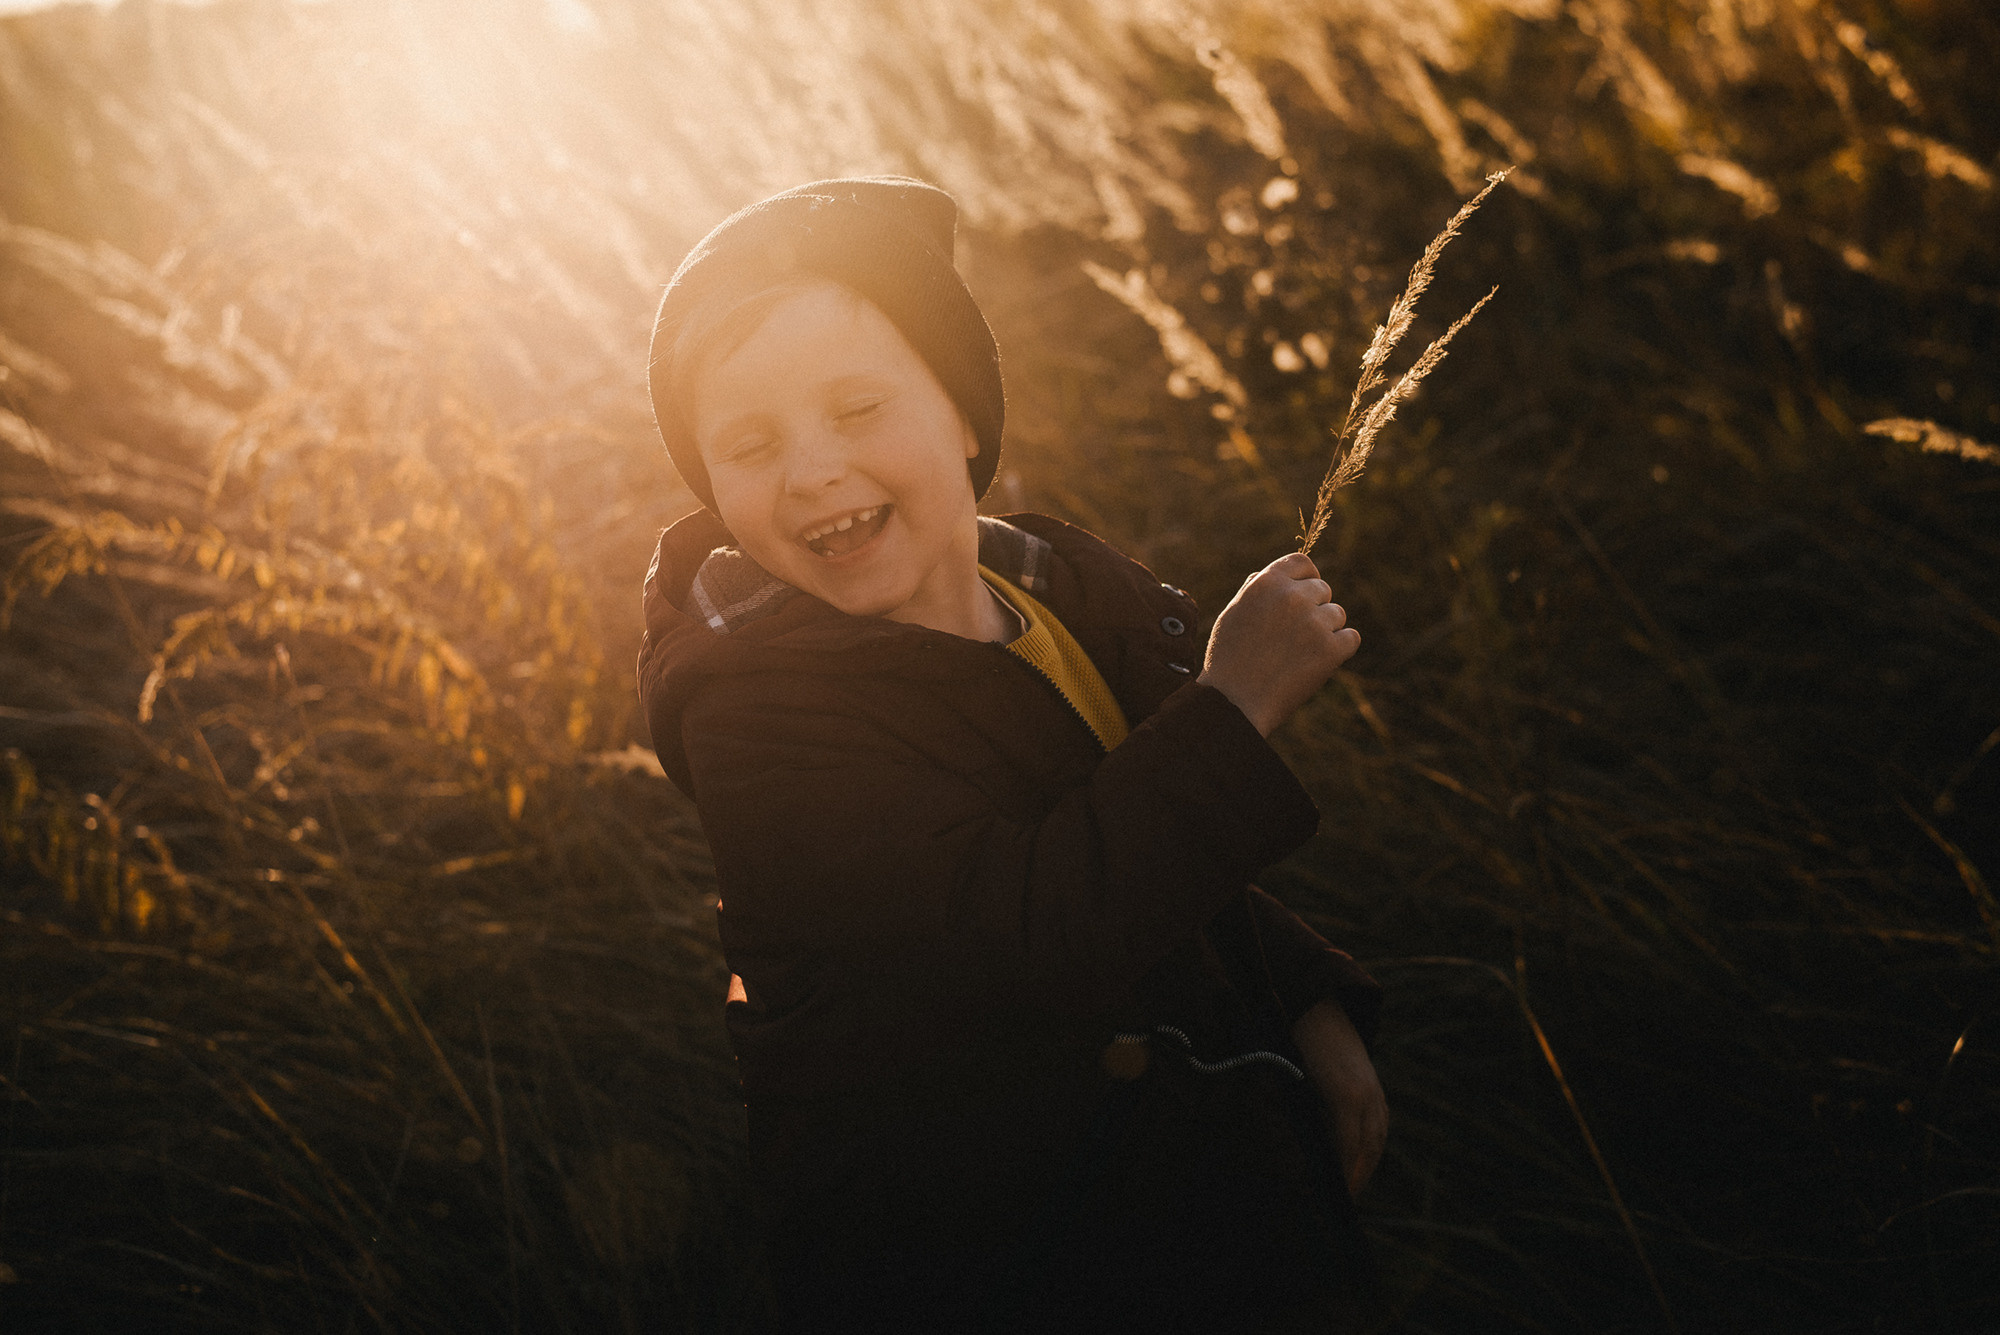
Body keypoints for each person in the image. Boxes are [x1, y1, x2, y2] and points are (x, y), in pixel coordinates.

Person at [637, 176, 1386, 1333]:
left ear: (964, 415)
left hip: (1185, 1183)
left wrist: (1301, 1005)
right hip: (977, 1248)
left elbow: (1153, 845)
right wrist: (1232, 711)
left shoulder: (1063, 591)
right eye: (747, 443)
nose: (811, 470)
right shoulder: (756, 723)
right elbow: (1030, 927)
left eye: (855, 408)